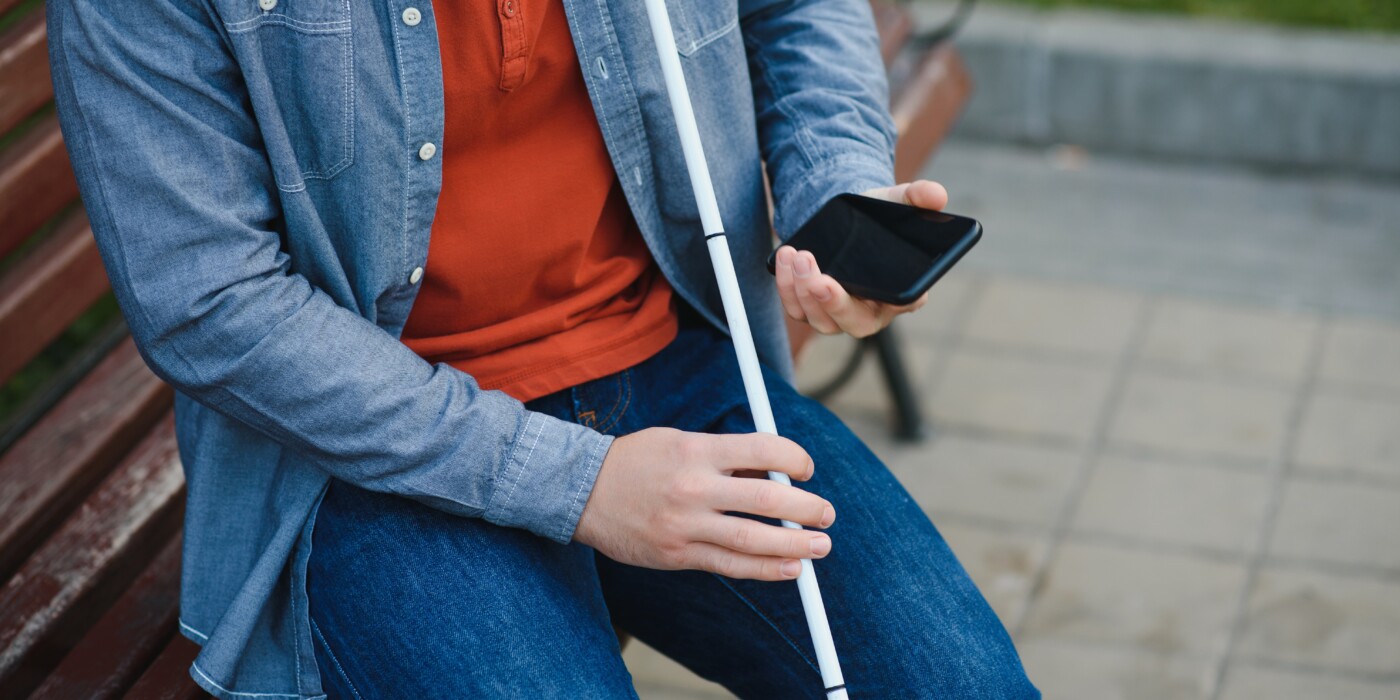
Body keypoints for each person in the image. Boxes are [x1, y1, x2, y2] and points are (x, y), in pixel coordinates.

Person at [48, 0, 1037, 696]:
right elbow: (208, 303)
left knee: (961, 681)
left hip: (670, 362)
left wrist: (834, 193)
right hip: (370, 450)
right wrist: (581, 482)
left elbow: (791, 8)